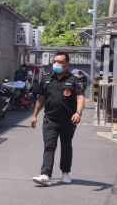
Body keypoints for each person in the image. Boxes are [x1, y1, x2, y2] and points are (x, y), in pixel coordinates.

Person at [30, 51, 85, 186]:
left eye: (59, 62)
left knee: (66, 146)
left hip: (68, 121)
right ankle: (45, 174)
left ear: (67, 64)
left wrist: (78, 112)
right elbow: (41, 98)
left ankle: (65, 172)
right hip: (50, 120)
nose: (56, 64)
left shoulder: (74, 80)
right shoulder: (47, 79)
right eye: (54, 61)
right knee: (49, 146)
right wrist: (35, 115)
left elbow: (80, 97)